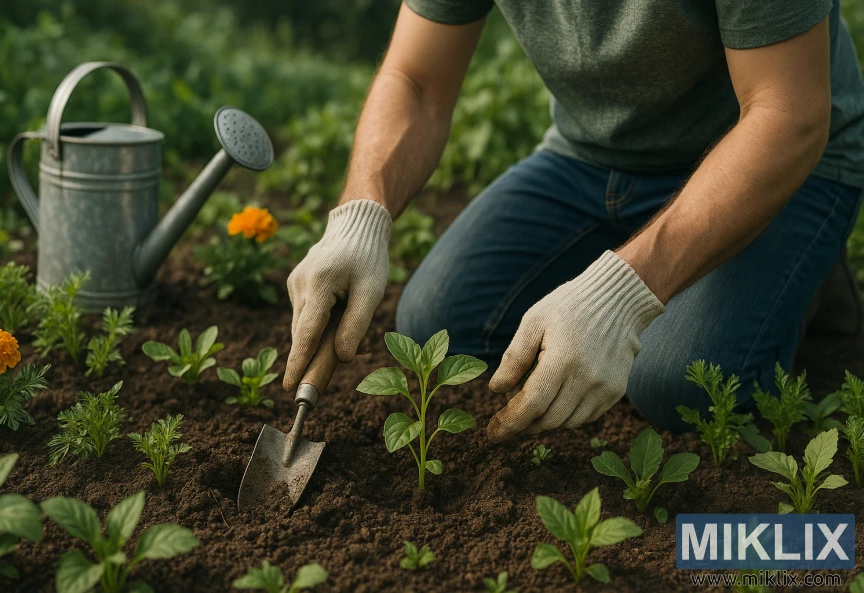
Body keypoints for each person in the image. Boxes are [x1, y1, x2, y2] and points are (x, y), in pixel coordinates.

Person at [282, 1, 864, 442]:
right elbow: (416, 80)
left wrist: (621, 294)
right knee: (440, 323)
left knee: (676, 385)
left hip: (774, 155)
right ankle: (671, 259)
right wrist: (361, 215)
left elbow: (787, 115)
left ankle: (800, 276)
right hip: (590, 157)